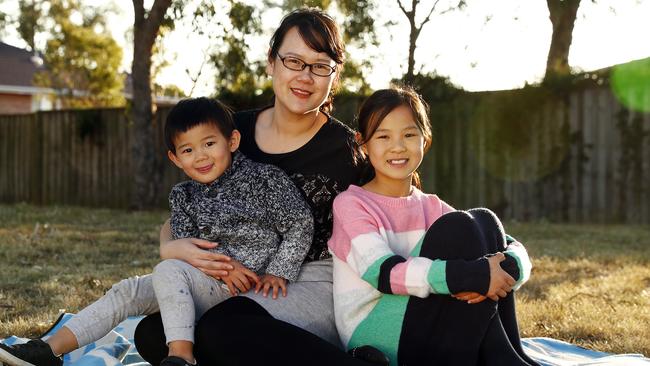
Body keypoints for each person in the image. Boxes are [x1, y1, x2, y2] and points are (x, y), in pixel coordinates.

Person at [134, 8, 390, 366]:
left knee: (219, 332)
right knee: (152, 332)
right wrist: (171, 247)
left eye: (320, 66)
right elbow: (188, 207)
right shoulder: (232, 133)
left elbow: (394, 207)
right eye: (293, 61)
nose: (305, 76)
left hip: (310, 284)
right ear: (271, 62)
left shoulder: (345, 151)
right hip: (235, 280)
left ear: (334, 75)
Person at [0, 97, 313, 366]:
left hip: (246, 290)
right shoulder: (183, 195)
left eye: (209, 143)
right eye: (188, 150)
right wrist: (221, 267)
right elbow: (185, 245)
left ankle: (181, 355)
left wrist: (277, 271)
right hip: (202, 280)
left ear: (231, 141)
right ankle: (47, 352)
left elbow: (299, 222)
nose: (201, 156)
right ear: (175, 158)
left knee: (168, 269)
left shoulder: (265, 179)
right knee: (130, 290)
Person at [328, 86, 538, 366]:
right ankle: (501, 358)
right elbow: (384, 273)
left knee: (483, 221)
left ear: (424, 141)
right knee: (460, 229)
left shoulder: (431, 206)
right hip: (376, 335)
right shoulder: (351, 204)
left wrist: (504, 269)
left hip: (421, 324)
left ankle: (508, 352)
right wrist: (471, 275)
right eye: (383, 136)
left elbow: (509, 244)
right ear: (363, 145)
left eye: (409, 135)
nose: (398, 146)